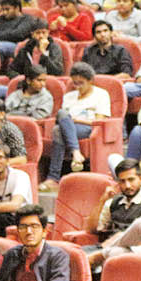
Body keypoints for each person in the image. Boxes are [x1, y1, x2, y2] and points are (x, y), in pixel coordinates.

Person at [38, 63, 112, 191]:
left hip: (88, 128)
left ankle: (53, 177)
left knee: (59, 126)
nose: (77, 87)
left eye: (81, 83)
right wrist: (70, 122)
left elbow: (99, 121)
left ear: (90, 81)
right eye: (75, 83)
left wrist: (76, 120)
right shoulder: (69, 96)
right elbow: (63, 119)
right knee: (58, 127)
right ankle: (76, 153)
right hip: (67, 128)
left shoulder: (101, 94)